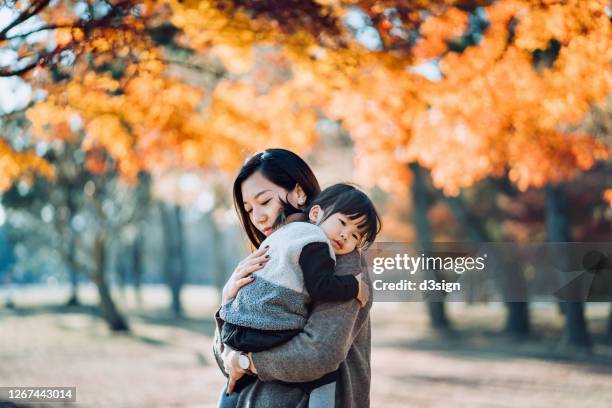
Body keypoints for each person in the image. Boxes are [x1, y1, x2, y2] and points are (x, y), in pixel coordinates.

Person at [213, 149, 375, 407]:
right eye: (249, 209)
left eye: (264, 201)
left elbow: (319, 352)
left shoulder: (342, 259)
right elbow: (226, 359)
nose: (257, 217)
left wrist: (246, 361)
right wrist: (227, 301)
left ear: (299, 193)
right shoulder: (269, 257)